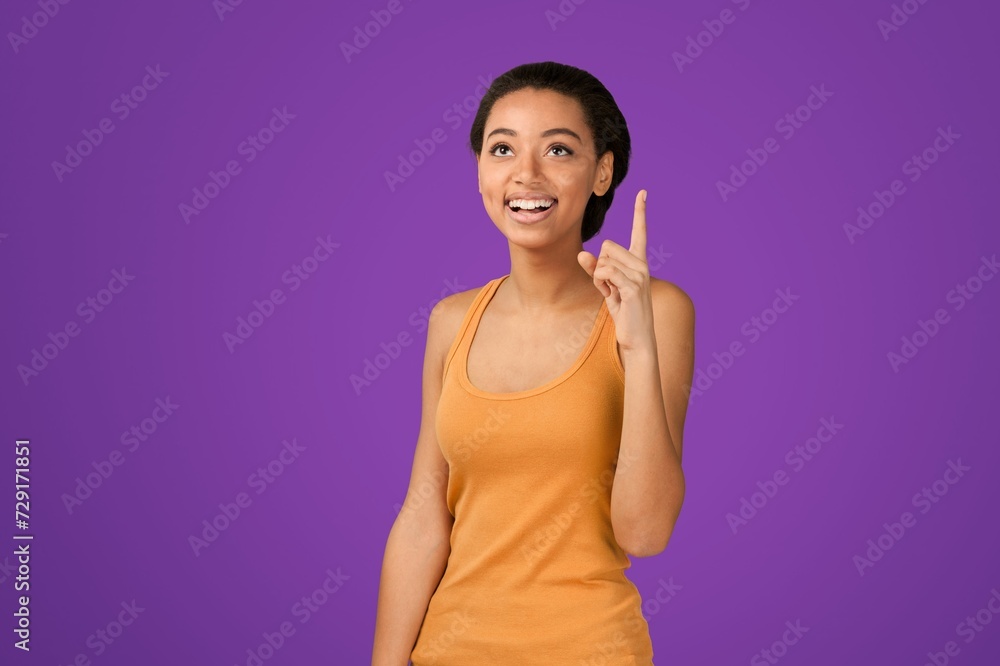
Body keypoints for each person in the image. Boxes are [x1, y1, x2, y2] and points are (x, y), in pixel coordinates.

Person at [372, 61, 694, 665]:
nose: (526, 174)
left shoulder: (658, 310)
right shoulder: (451, 320)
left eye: (558, 150)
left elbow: (645, 533)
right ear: (480, 172)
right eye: (502, 149)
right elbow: (422, 513)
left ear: (602, 172)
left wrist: (637, 348)